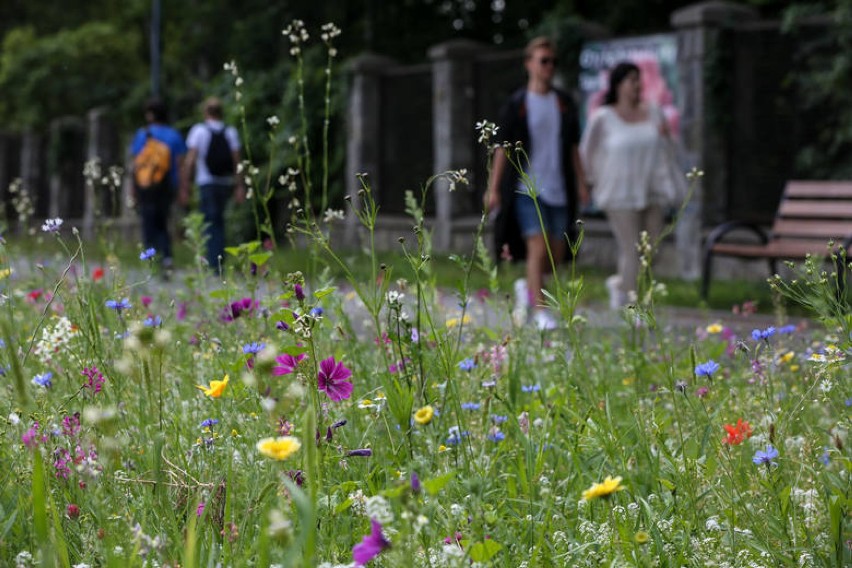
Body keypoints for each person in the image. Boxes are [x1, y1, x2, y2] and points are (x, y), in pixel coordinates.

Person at [485, 37, 589, 330]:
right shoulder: (517, 104)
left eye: (553, 62)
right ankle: (542, 312)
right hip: (526, 188)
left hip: (559, 187)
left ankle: (526, 288)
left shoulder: (563, 103)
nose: (549, 67)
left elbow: (572, 147)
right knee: (537, 246)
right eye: (543, 61)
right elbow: (502, 148)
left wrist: (582, 182)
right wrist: (493, 189)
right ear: (529, 63)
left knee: (556, 254)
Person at [579, 61, 675, 309]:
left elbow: (667, 149)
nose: (637, 85)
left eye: (638, 79)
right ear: (618, 85)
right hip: (618, 194)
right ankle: (634, 307)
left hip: (651, 189)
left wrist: (666, 137)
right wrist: (590, 182)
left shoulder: (654, 111)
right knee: (632, 250)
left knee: (652, 251)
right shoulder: (603, 117)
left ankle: (621, 285)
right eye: (631, 80)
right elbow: (586, 152)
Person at [181, 97, 245, 273]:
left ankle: (213, 264)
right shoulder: (230, 131)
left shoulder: (199, 131)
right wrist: (240, 186)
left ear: (205, 112)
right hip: (225, 182)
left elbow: (190, 160)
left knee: (210, 222)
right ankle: (219, 261)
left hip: (206, 182)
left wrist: (185, 185)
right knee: (220, 221)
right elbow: (237, 161)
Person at [130, 97, 187, 273]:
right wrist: (183, 188)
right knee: (163, 222)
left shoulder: (142, 134)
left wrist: (133, 188)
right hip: (167, 185)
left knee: (148, 222)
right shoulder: (174, 135)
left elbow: (136, 164)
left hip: (146, 186)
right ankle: (167, 257)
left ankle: (150, 259)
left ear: (150, 115)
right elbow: (180, 164)